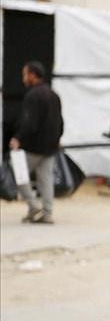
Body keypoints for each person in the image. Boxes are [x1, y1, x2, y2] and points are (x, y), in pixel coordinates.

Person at [10, 61, 63, 224]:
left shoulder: (32, 96)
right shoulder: (53, 95)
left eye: (25, 74)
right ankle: (47, 213)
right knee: (46, 180)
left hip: (34, 146)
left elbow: (29, 123)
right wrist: (57, 139)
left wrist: (18, 138)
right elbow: (60, 122)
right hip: (50, 146)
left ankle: (33, 206)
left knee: (18, 173)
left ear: (32, 75)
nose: (24, 78)